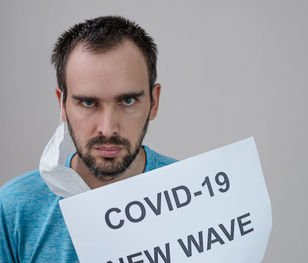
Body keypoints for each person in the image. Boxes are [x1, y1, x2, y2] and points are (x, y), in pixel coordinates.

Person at [0, 16, 176, 262]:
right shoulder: (13, 210)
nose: (107, 129)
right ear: (62, 104)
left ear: (154, 102)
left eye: (127, 101)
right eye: (88, 103)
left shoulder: (202, 197)